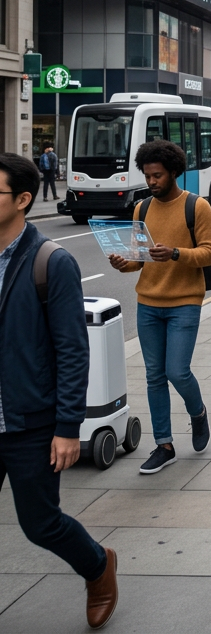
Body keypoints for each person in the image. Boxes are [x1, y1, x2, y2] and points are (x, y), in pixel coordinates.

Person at [0, 154, 118, 629]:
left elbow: (72, 351)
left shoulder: (52, 262)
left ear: (23, 200)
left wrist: (68, 428)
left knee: (40, 524)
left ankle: (97, 565)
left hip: (27, 421)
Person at [107, 140, 211, 475]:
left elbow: (210, 253)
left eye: (157, 175)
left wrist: (175, 254)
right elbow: (138, 260)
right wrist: (121, 263)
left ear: (173, 173)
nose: (151, 181)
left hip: (185, 301)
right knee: (154, 376)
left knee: (177, 371)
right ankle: (164, 445)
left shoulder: (196, 207)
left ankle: (197, 412)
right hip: (148, 303)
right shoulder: (141, 209)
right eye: (147, 175)